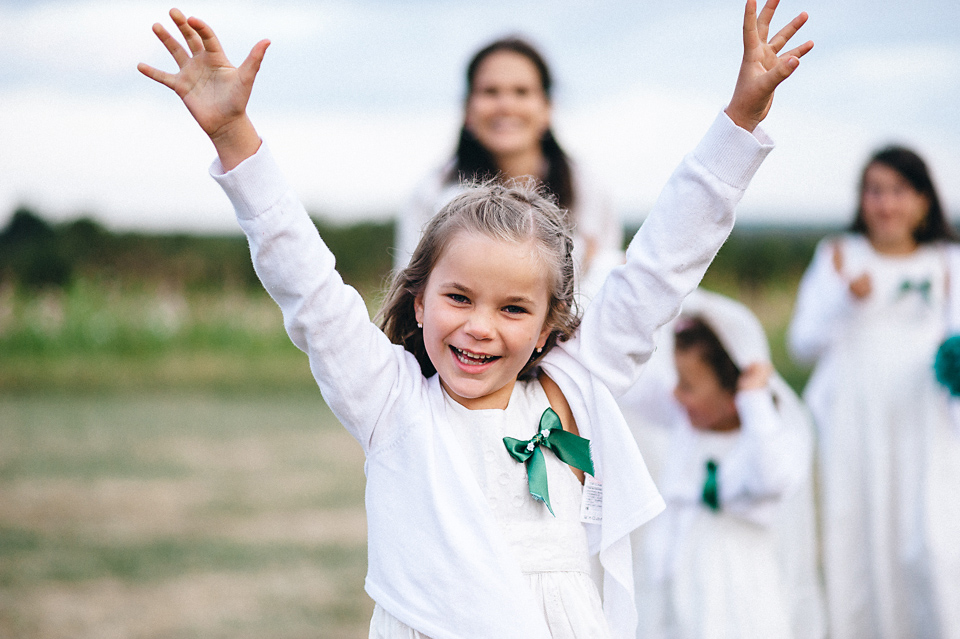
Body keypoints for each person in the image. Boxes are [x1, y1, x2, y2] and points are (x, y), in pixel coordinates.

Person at [138, 2, 812, 637]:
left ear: (551, 325)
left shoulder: (573, 385)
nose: (480, 326)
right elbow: (306, 284)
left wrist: (740, 122)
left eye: (514, 308)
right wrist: (235, 138)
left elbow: (664, 261)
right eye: (459, 298)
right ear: (418, 298)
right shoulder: (390, 398)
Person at [788, 146, 960, 639]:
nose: (886, 204)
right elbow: (802, 344)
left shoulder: (947, 262)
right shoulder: (840, 255)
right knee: (856, 536)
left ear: (924, 200)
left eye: (899, 192)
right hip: (855, 422)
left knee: (931, 539)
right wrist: (845, 300)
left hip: (928, 425)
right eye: (875, 191)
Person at [619, 289, 824, 639]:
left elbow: (773, 476)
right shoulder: (688, 422)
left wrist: (754, 400)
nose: (676, 394)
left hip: (732, 589)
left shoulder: (761, 440)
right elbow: (632, 389)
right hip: (672, 574)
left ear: (733, 398)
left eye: (688, 386)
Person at [394, 35, 621, 295]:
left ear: (547, 108)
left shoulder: (587, 187)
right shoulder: (433, 194)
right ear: (468, 109)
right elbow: (411, 290)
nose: (505, 105)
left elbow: (606, 284)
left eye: (521, 92)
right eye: (490, 92)